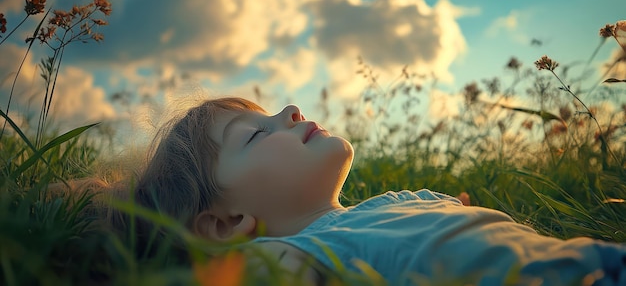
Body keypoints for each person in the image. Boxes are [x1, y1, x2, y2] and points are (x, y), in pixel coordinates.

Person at [102, 97, 625, 285]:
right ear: (224, 223)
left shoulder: (405, 200)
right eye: (256, 133)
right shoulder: (293, 250)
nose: (289, 110)